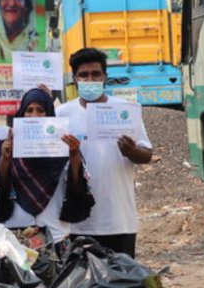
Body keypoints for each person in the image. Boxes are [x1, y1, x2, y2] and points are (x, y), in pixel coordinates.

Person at [56, 47, 153, 257]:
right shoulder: (62, 114)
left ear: (105, 77)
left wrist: (131, 151)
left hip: (118, 220)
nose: (90, 79)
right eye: (84, 75)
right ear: (74, 78)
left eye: (95, 74)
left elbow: (146, 155)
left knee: (121, 285)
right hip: (77, 223)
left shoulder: (126, 110)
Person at [0, 88, 90, 247]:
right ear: (21, 113)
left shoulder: (64, 146)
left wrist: (74, 154)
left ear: (49, 113)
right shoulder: (7, 146)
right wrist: (5, 159)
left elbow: (77, 186)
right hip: (16, 235)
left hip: (55, 234)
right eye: (29, 110)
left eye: (40, 110)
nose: (34, 116)